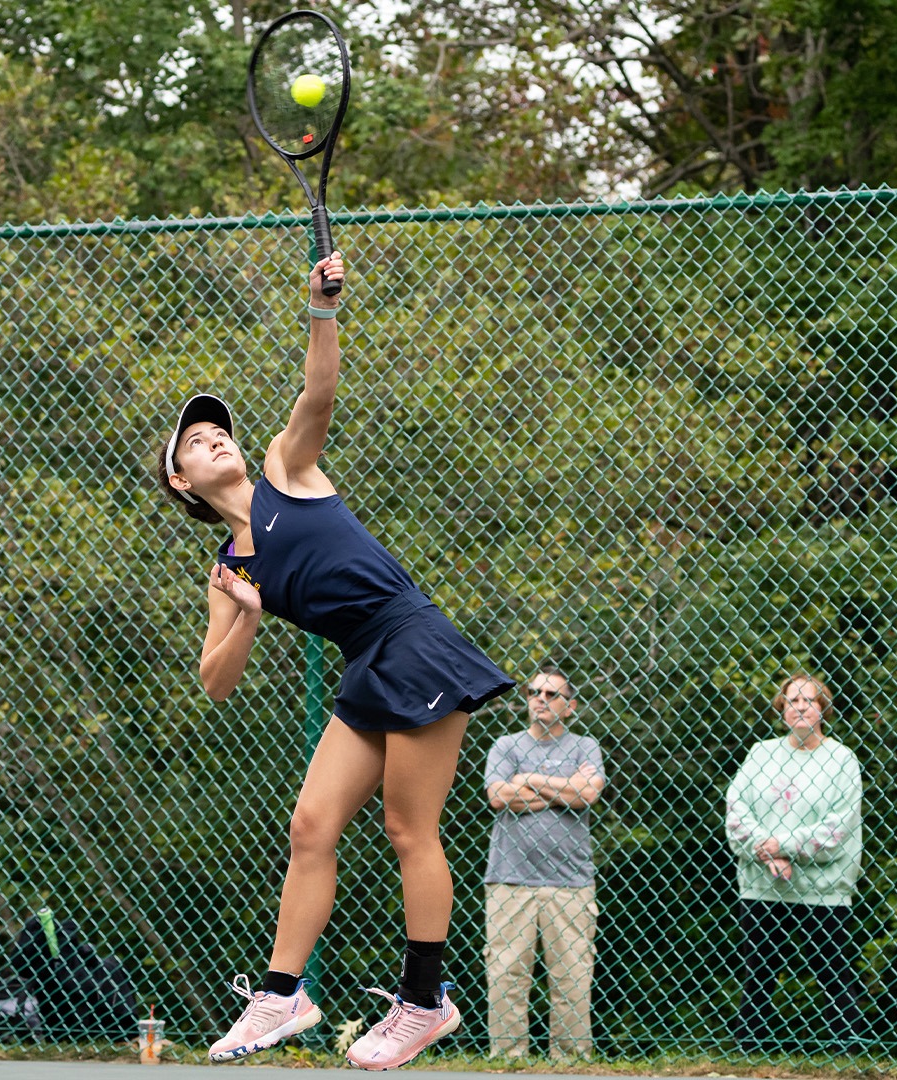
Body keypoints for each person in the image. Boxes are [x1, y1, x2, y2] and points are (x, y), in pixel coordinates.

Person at [159, 252, 515, 1071]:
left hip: (413, 638)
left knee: (406, 826)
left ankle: (425, 1004)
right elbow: (215, 681)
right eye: (197, 442)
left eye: (221, 430)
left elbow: (317, 390)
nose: (216, 438)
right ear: (181, 482)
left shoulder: (288, 468)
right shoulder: (229, 569)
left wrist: (322, 309)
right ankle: (282, 997)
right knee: (310, 826)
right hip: (366, 663)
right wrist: (245, 618)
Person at [724, 674, 864, 1053]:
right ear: (781, 709)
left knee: (834, 975)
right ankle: (750, 1053)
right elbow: (736, 811)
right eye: (791, 701)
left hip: (823, 890)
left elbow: (838, 827)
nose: (799, 707)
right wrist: (766, 850)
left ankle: (845, 1055)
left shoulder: (841, 760)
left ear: (823, 708)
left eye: (808, 700)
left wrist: (783, 845)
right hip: (762, 885)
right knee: (758, 975)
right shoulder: (760, 753)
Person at [483, 662, 607, 1060]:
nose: (541, 699)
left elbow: (588, 796)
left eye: (553, 694)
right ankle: (507, 1060)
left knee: (572, 980)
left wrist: (530, 781)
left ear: (569, 706)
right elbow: (499, 798)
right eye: (535, 692)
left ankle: (570, 1062)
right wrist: (564, 787)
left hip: (571, 882)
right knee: (506, 977)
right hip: (509, 879)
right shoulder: (506, 745)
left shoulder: (585, 746)